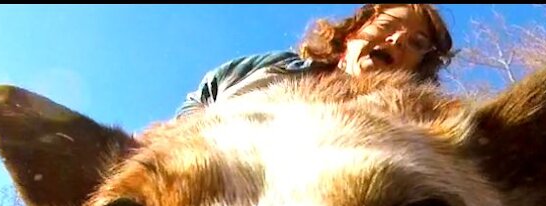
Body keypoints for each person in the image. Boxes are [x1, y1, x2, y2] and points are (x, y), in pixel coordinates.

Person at [176, 4, 455, 117]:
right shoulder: (274, 64)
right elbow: (204, 95)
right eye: (387, 25)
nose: (396, 40)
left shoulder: (407, 124)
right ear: (353, 33)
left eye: (417, 43)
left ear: (420, 67)